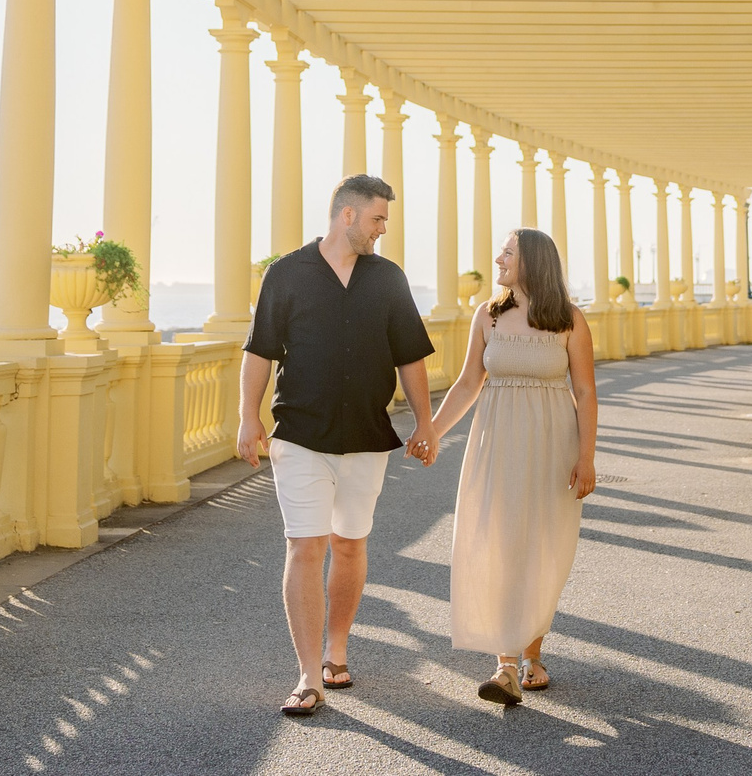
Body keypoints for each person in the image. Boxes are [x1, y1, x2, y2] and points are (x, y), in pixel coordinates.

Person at [238, 174, 436, 719]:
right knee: (305, 545)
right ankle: (307, 676)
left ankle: (337, 648)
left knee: (350, 543)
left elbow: (411, 356)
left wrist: (426, 423)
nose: (381, 231)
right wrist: (246, 418)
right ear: (347, 216)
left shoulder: (387, 278)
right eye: (377, 220)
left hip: (368, 437)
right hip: (300, 434)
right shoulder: (286, 274)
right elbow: (259, 351)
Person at [408, 226, 599, 707]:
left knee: (540, 548)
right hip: (495, 445)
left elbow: (584, 392)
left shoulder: (569, 320)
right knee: (499, 542)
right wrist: (431, 429)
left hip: (552, 448)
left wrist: (587, 456)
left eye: (508, 252)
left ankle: (531, 654)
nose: (498, 259)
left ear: (533, 261)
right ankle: (507, 665)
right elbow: (469, 383)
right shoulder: (487, 316)